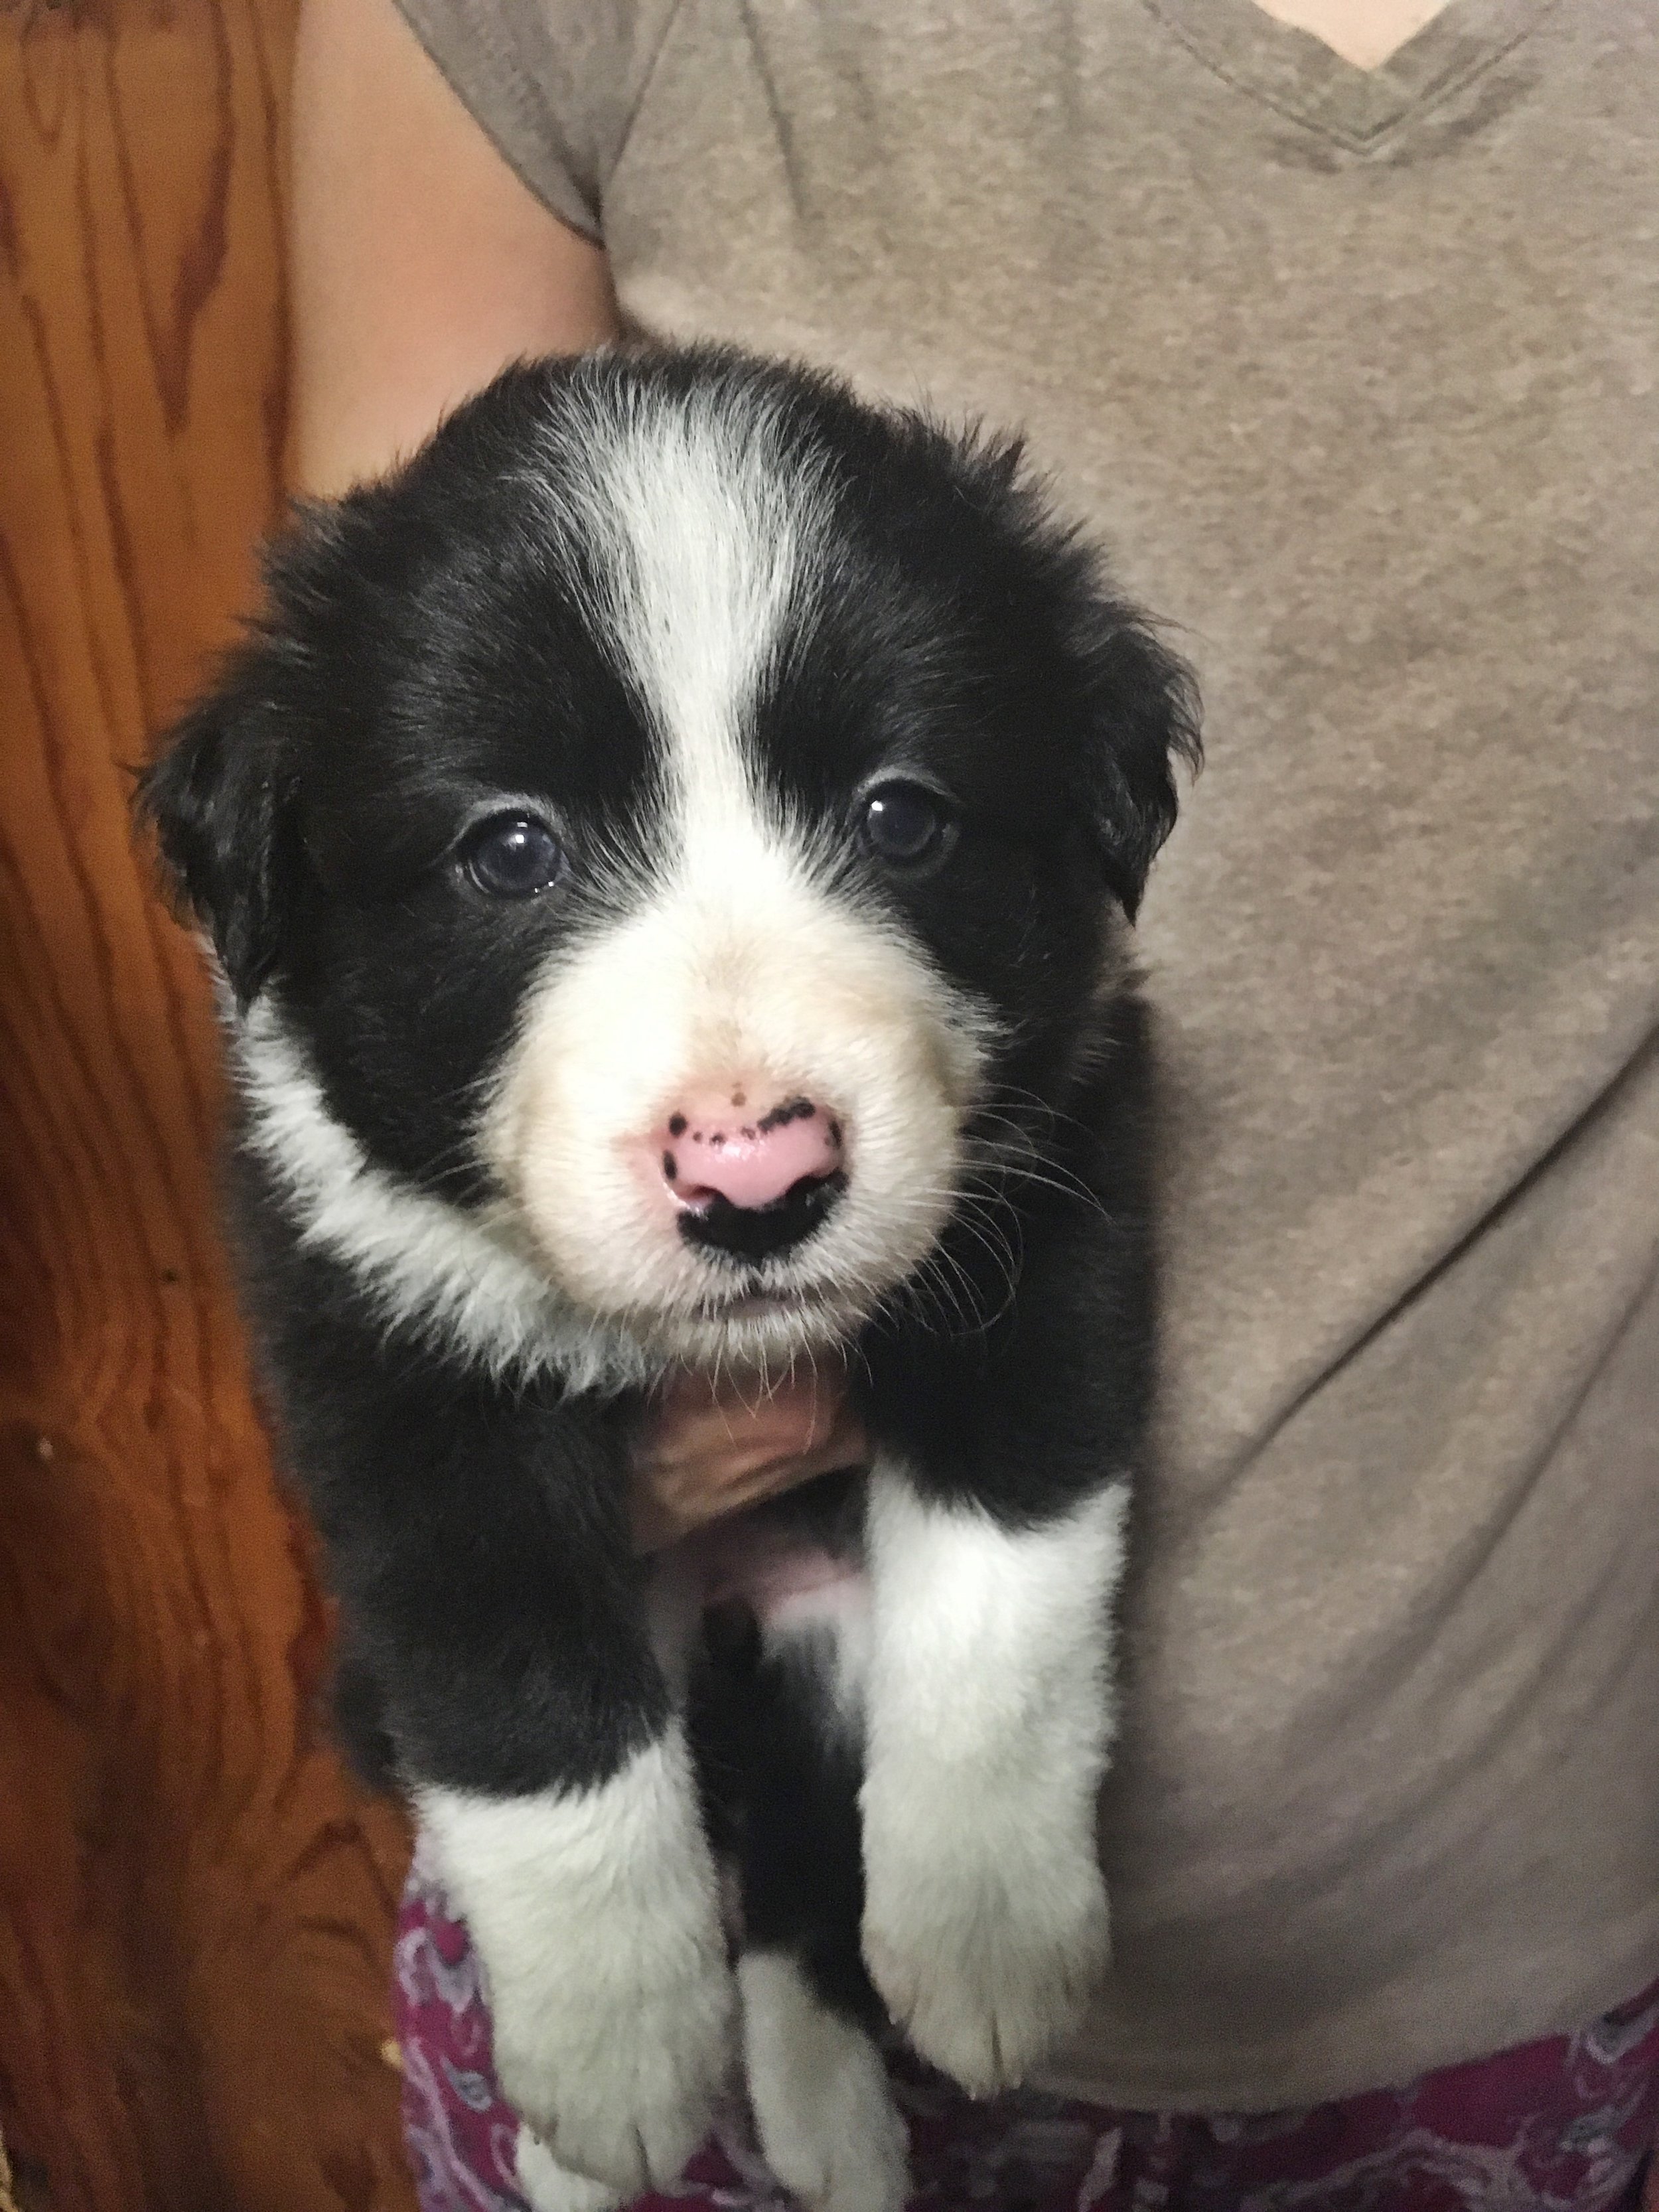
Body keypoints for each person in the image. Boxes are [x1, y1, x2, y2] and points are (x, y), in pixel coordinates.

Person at [287, 0, 1659, 2204]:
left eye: (902, 813)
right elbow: (345, 790)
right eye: (529, 856)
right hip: (634, 1810)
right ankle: (778, 1985)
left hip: (1492, 1900)